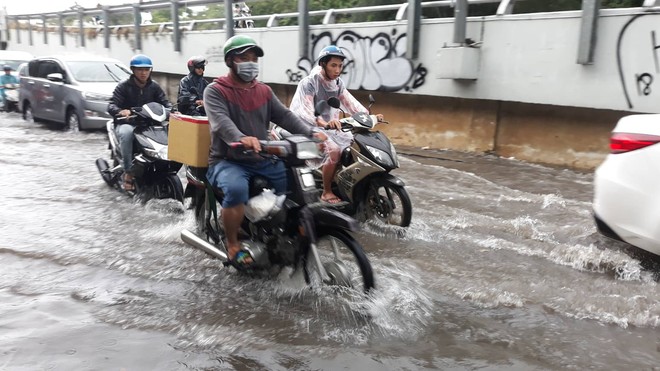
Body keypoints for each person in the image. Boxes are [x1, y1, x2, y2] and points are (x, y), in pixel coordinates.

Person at [204, 35, 327, 268]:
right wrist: (241, 138)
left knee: (295, 185)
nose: (250, 62)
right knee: (237, 189)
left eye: (253, 58)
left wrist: (311, 133)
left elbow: (285, 116)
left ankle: (281, 234)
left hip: (261, 157)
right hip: (228, 161)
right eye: (243, 57)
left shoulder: (263, 91)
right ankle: (232, 244)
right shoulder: (215, 90)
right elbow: (220, 123)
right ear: (230, 61)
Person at [289, 45, 384, 204]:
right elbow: (306, 111)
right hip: (306, 125)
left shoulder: (338, 83)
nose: (337, 69)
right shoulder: (310, 83)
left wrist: (369, 116)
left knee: (354, 143)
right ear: (323, 64)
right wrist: (323, 122)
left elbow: (350, 103)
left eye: (340, 66)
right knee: (333, 150)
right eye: (333, 65)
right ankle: (326, 192)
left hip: (330, 125)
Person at [107, 54, 171, 191]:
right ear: (133, 70)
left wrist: (172, 111)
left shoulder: (154, 87)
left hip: (147, 124)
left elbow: (165, 103)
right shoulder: (123, 86)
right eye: (140, 69)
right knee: (127, 134)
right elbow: (111, 105)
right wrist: (121, 111)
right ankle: (128, 172)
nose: (143, 73)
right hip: (127, 123)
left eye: (146, 69)